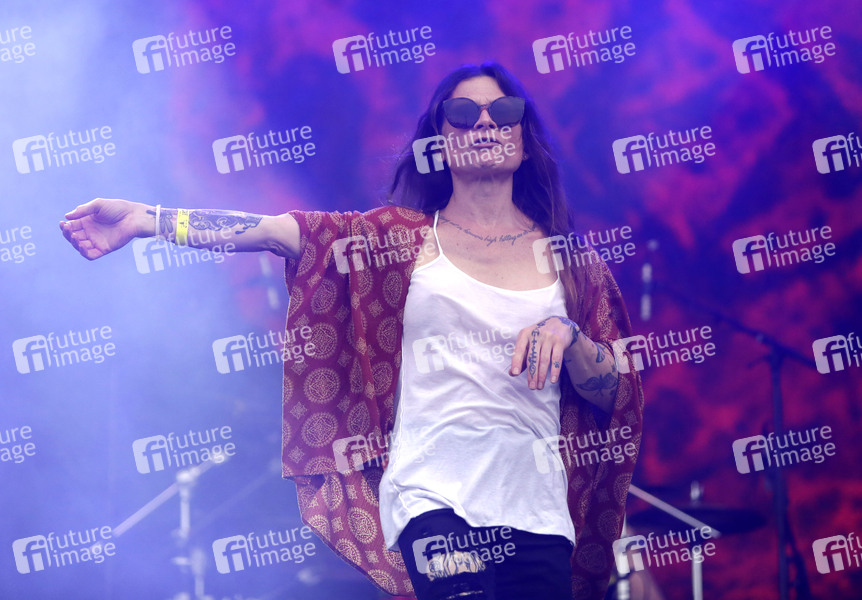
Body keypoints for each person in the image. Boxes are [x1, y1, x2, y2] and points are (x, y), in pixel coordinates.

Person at [60, 62, 643, 600]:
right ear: (440, 140)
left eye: (504, 111)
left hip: (537, 512)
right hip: (432, 496)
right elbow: (273, 231)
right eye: (464, 113)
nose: (486, 123)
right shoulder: (396, 240)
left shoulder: (573, 265)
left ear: (524, 135)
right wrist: (150, 220)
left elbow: (616, 394)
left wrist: (571, 338)